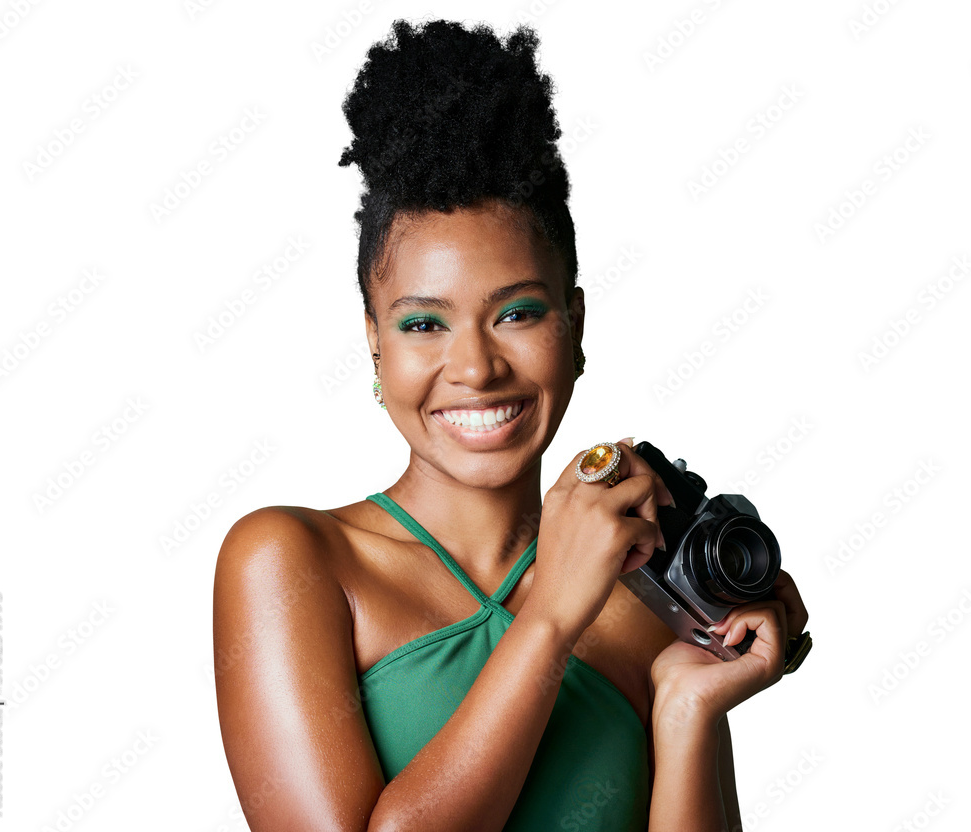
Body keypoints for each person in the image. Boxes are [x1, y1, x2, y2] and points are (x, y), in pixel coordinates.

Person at [212, 18, 809, 832]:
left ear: (576, 327)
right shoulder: (292, 562)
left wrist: (688, 707)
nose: (476, 367)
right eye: (424, 324)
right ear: (374, 345)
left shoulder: (642, 595)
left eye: (518, 314)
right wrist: (552, 618)